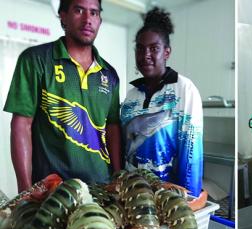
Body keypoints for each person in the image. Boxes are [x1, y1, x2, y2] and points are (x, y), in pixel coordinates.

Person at [3, 0, 122, 192]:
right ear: (63, 15)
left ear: (100, 19)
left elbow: (113, 128)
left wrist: (117, 178)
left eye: (94, 13)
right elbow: (21, 125)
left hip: (102, 189)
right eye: (79, 10)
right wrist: (25, 191)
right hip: (52, 191)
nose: (87, 19)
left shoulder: (110, 74)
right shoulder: (36, 60)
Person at [120, 7, 204, 197]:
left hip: (168, 198)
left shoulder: (183, 89)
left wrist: (188, 200)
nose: (145, 55)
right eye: (140, 49)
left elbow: (191, 154)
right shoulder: (131, 96)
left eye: (154, 48)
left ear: (166, 52)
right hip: (133, 196)